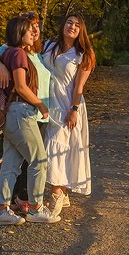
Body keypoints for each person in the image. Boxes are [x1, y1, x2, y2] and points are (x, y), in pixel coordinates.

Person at [0, 16, 62, 226]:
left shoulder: (11, 52)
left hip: (12, 113)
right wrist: (41, 104)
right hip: (22, 113)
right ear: (19, 34)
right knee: (39, 160)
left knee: (11, 163)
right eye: (28, 30)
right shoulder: (19, 54)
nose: (33, 33)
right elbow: (22, 87)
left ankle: (2, 211)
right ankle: (35, 208)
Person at [42, 13, 96, 216]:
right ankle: (63, 194)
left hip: (67, 106)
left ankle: (55, 199)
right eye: (69, 22)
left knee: (56, 148)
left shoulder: (83, 54)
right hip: (48, 105)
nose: (72, 26)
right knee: (59, 147)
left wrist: (74, 110)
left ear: (81, 30)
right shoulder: (49, 46)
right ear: (63, 25)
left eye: (77, 24)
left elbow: (79, 87)